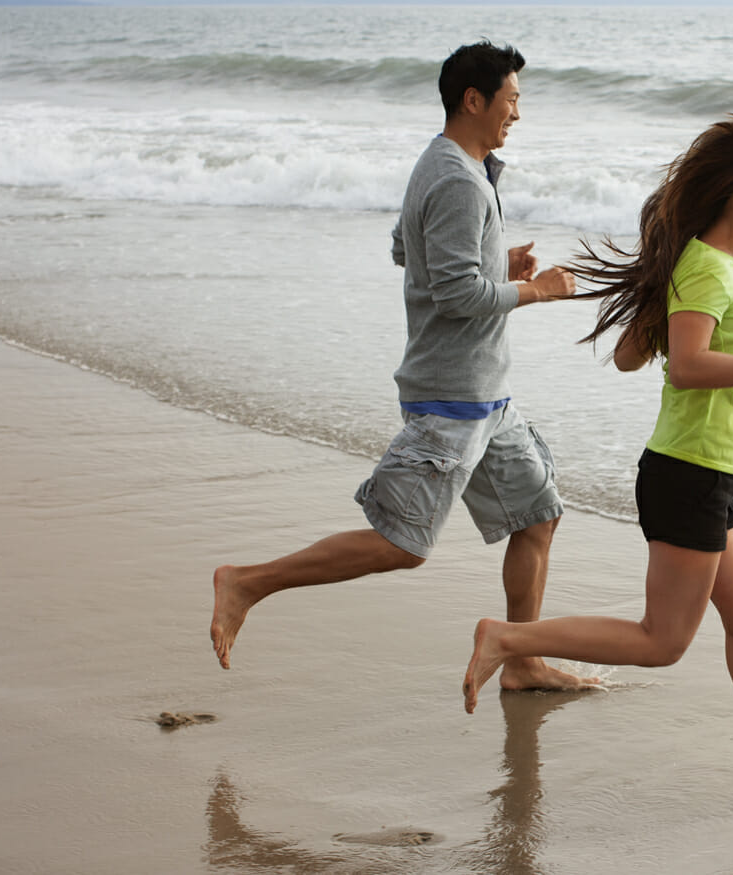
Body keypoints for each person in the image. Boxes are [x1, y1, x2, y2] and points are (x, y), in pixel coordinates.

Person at [462, 116, 733, 782]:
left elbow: (629, 357)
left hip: (711, 469)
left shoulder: (700, 263)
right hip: (688, 472)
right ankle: (508, 639)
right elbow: (691, 366)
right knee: (661, 641)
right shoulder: (703, 269)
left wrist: (655, 303)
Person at [210, 41, 594, 695]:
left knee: (538, 513)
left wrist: (496, 264)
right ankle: (247, 581)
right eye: (512, 100)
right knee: (402, 544)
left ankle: (522, 660)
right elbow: (454, 295)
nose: (517, 114)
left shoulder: (450, 164)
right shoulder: (455, 179)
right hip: (449, 398)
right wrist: (538, 289)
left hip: (487, 396)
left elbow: (404, 248)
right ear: (474, 100)